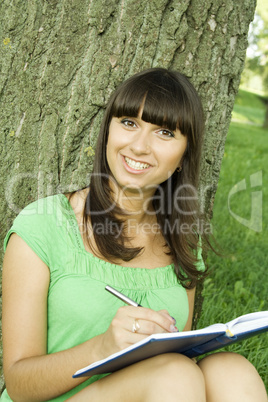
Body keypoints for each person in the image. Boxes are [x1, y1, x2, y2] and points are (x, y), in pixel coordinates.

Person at [1, 68, 266, 402]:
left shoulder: (180, 237)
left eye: (165, 133)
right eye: (128, 123)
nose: (139, 146)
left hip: (157, 389)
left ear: (184, 155)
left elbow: (170, 359)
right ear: (108, 132)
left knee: (231, 370)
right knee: (175, 374)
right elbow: (20, 384)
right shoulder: (44, 225)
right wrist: (102, 347)